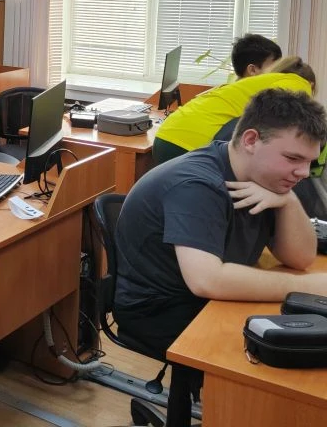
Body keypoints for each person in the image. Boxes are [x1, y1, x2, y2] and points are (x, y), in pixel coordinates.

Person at [114, 88, 327, 359]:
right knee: (289, 357)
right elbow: (207, 280)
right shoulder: (196, 185)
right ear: (251, 140)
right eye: (293, 158)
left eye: (309, 161)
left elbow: (301, 258)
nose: (304, 173)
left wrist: (288, 201)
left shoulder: (264, 178)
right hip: (161, 311)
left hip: (205, 298)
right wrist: (307, 287)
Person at [153, 57, 316, 165]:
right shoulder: (300, 85)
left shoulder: (260, 82)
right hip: (190, 143)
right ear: (312, 84)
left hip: (168, 134)